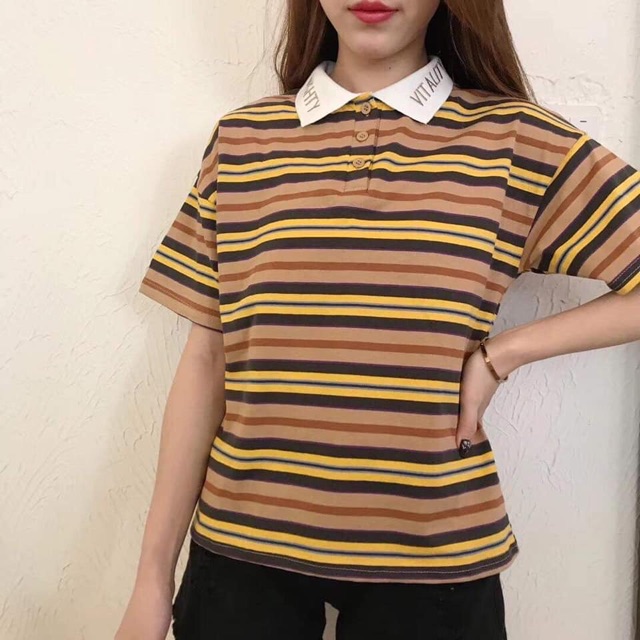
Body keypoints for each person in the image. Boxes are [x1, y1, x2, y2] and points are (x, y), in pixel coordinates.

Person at [115, 0, 640, 638]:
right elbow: (206, 359)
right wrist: (151, 579)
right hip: (240, 550)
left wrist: (504, 354)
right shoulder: (245, 140)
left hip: (434, 557)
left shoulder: (515, 141)